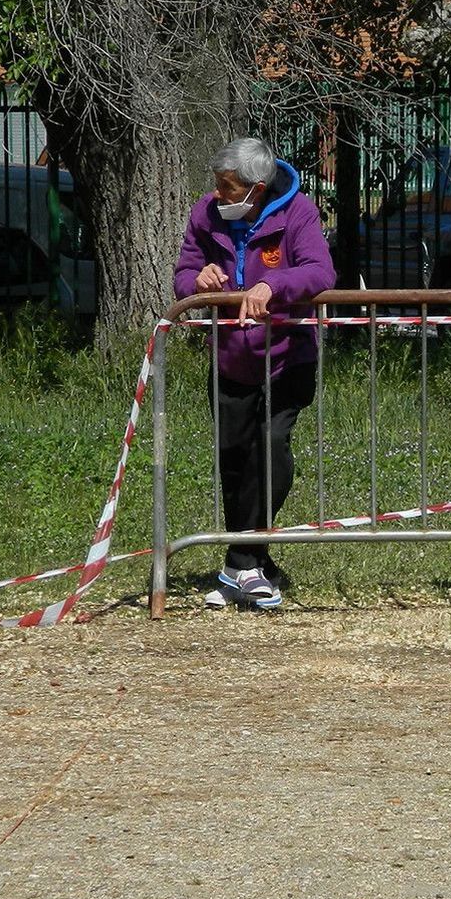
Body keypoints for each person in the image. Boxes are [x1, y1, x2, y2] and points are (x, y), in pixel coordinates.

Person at [173, 137, 336, 610]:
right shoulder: (206, 213)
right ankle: (252, 565)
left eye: (227, 188)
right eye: (217, 186)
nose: (218, 195)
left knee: (272, 449)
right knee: (234, 460)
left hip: (288, 358)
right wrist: (198, 280)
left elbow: (321, 272)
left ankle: (240, 562)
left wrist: (271, 283)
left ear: (256, 189)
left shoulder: (298, 212)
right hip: (229, 359)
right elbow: (185, 273)